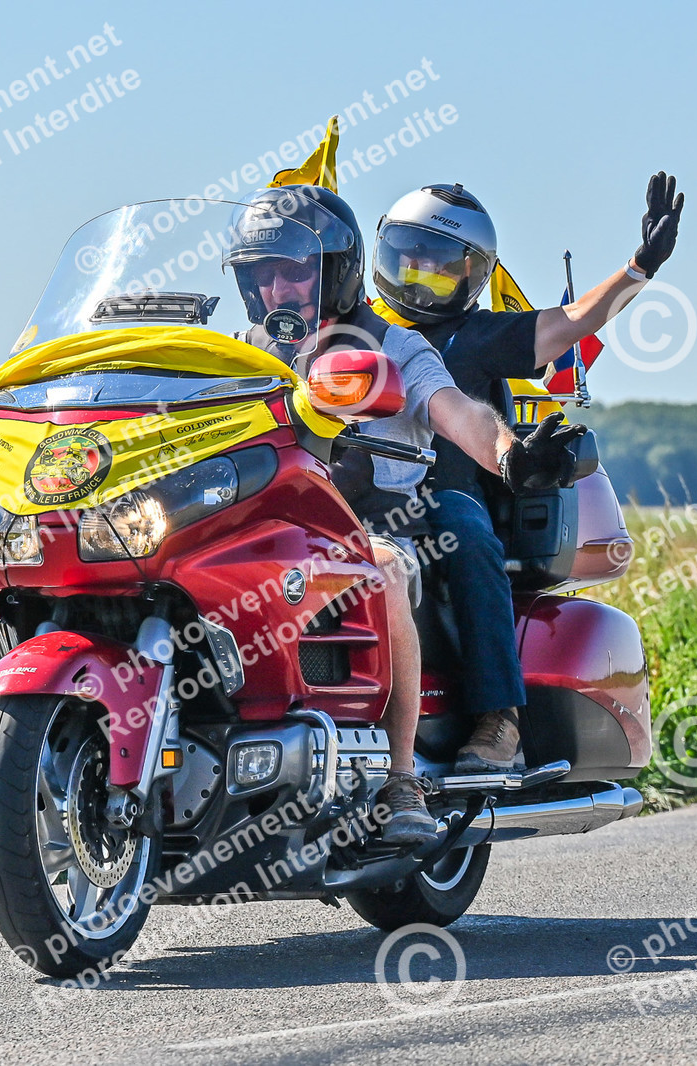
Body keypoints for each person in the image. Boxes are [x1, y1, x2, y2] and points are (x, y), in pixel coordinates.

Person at [225, 185, 562, 845]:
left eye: (293, 270)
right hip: (272, 527)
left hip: (373, 525)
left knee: (390, 566)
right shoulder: (243, 352)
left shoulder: (395, 346)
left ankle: (403, 778)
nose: (277, 289)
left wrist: (511, 457)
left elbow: (457, 412)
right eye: (261, 274)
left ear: (335, 271)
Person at [369, 174, 684, 774]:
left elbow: (571, 322)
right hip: (358, 493)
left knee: (467, 534)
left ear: (472, 274)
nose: (419, 275)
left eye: (439, 266)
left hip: (442, 493)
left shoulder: (477, 334)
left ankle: (500, 717)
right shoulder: (359, 327)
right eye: (409, 258)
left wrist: (639, 268)